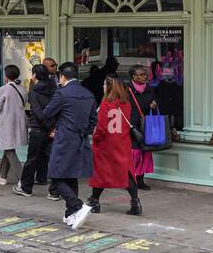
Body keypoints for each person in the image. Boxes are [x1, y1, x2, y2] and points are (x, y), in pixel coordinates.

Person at [40, 62, 98, 229]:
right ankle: (70, 213)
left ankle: (77, 206)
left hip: (64, 140)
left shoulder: (62, 93)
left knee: (56, 176)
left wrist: (58, 126)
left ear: (62, 77)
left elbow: (47, 113)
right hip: (81, 140)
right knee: (71, 175)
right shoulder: (88, 94)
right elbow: (93, 120)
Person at [88, 76, 142, 216]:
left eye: (104, 85)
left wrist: (95, 140)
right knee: (127, 172)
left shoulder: (106, 103)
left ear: (110, 87)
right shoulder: (126, 104)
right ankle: (135, 202)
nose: (103, 87)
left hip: (106, 144)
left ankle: (94, 201)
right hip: (123, 142)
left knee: (100, 173)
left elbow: (101, 127)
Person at [14, 64, 56, 198]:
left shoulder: (34, 92)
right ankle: (55, 191)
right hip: (52, 129)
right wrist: (52, 128)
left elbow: (38, 113)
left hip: (39, 129)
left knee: (32, 159)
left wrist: (46, 127)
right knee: (53, 159)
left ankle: (26, 188)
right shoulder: (54, 88)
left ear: (35, 76)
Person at [0, 65, 27, 186]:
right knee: (8, 147)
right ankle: (2, 176)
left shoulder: (3, 89)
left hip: (8, 122)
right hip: (20, 122)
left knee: (9, 149)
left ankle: (23, 179)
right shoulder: (22, 88)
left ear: (6, 76)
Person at [128, 64, 157, 190]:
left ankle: (140, 181)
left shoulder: (149, 89)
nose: (144, 77)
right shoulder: (127, 90)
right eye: (140, 75)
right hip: (131, 126)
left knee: (144, 152)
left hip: (146, 125)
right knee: (133, 153)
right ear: (133, 76)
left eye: (145, 74)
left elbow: (154, 104)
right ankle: (129, 181)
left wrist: (154, 106)